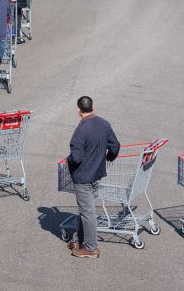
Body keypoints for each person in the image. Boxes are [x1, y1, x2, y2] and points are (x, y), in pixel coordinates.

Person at [67, 96, 121, 258]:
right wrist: (110, 157)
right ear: (93, 106)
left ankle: (90, 248)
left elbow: (76, 158)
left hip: (83, 177)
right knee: (86, 209)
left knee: (87, 212)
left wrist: (69, 159)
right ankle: (78, 239)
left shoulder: (80, 131)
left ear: (78, 110)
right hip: (97, 174)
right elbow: (115, 146)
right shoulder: (104, 124)